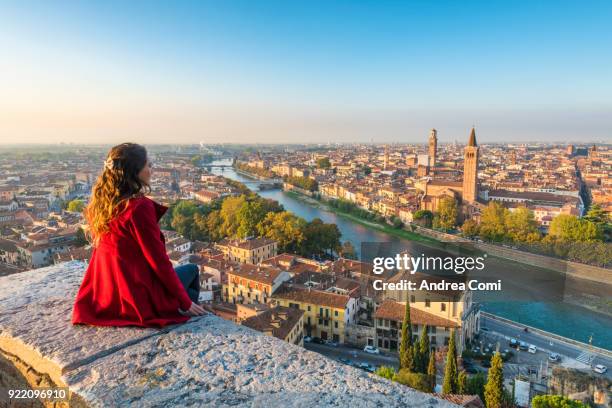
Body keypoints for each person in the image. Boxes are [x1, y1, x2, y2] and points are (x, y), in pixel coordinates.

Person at [72, 143, 207, 328]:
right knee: (191, 270)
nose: (151, 170)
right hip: (136, 298)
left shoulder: (103, 205)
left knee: (184, 280)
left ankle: (187, 308)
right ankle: (189, 310)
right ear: (135, 171)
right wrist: (185, 302)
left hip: (108, 296)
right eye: (148, 165)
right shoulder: (138, 208)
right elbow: (158, 261)